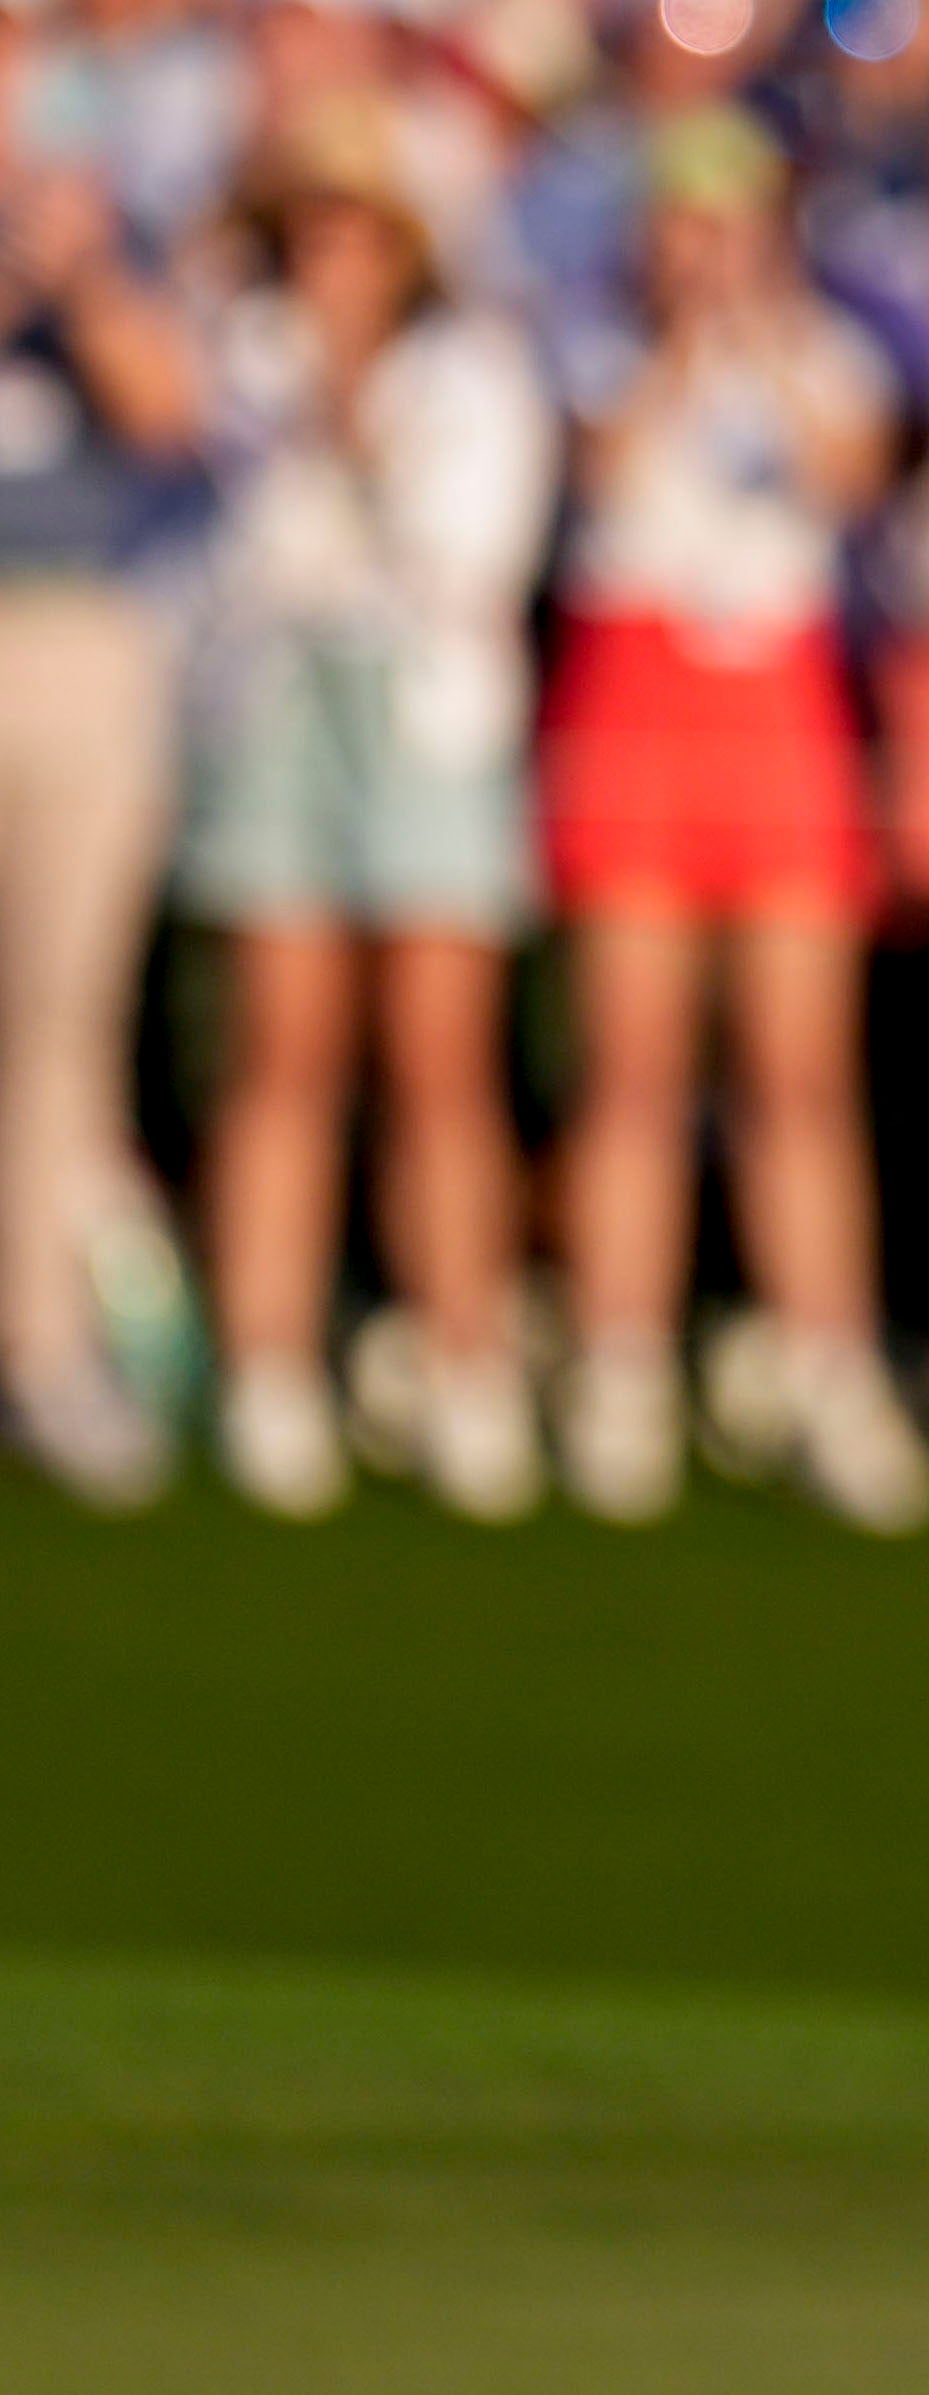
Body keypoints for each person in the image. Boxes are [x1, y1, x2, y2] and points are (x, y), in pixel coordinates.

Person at [536, 104, 929, 1529]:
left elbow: (851, 474)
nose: (705, 244)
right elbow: (596, 468)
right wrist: (681, 335)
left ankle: (829, 1368)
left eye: (733, 217)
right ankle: (620, 1365)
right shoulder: (596, 345)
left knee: (796, 1070)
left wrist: (755, 327)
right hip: (635, 695)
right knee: (633, 1064)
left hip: (776, 706)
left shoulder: (821, 350)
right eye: (684, 218)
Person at [180, 92, 552, 1519]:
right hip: (282, 707)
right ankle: (267, 1369)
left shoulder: (476, 371)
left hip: (426, 721)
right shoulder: (243, 350)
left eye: (360, 229)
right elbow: (251, 549)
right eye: (312, 227)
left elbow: (462, 556)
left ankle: (469, 1364)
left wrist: (349, 407)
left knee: (440, 1063)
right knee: (284, 1052)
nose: (332, 255)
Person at [0, 0, 210, 1504]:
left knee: (61, 1021)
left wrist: (68, 279)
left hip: (84, 639)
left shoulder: (111, 233)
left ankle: (48, 1352)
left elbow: (165, 406)